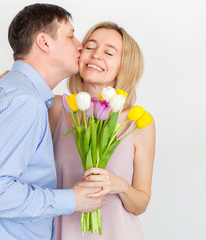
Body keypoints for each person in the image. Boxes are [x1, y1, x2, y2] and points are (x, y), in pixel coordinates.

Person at [0, 4, 105, 240]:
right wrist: (73, 199)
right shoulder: (23, 102)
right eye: (70, 36)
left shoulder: (11, 92)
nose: (80, 45)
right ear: (44, 42)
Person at [48, 22, 156, 239]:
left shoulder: (140, 123)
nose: (96, 55)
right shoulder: (57, 108)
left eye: (108, 52)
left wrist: (120, 186)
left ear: (124, 66)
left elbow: (140, 204)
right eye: (90, 47)